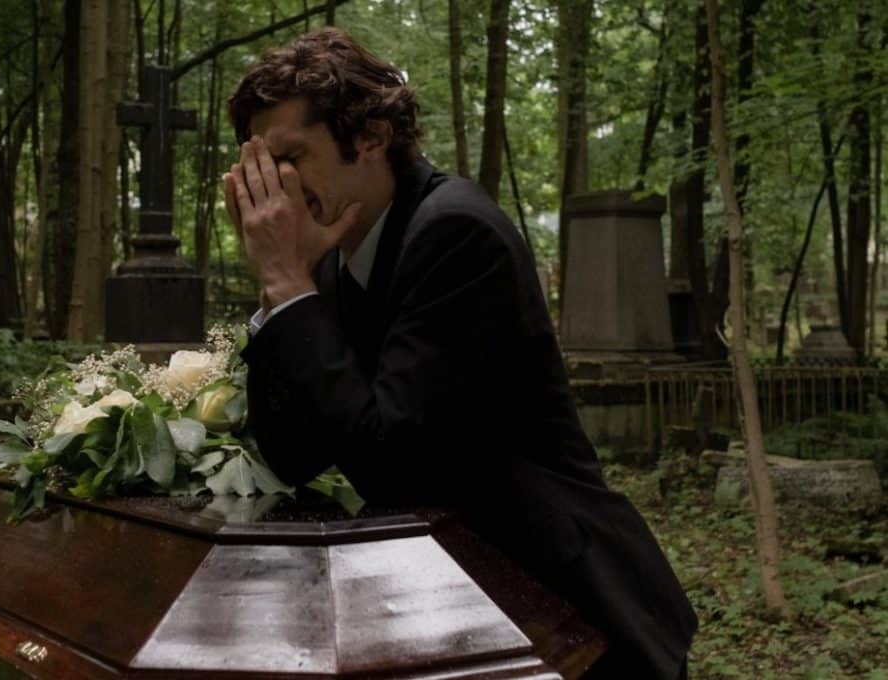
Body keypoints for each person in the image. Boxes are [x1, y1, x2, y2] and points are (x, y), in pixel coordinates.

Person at [223, 27, 696, 679]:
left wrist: (289, 287)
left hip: (566, 603)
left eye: (292, 156)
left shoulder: (455, 232)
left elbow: (392, 462)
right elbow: (292, 455)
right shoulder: (330, 257)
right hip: (453, 599)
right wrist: (279, 290)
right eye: (262, 166)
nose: (275, 188)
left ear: (370, 136)